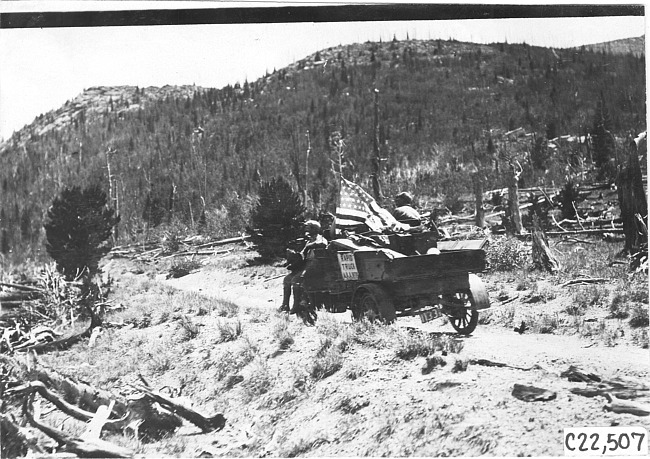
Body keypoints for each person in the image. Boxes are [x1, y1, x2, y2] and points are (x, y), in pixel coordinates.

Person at [279, 220, 328, 313]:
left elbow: (323, 244)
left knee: (296, 280)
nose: (306, 230)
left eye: (308, 228)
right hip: (306, 264)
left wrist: (309, 246)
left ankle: (297, 306)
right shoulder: (308, 240)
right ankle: (285, 305)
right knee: (287, 279)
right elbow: (302, 255)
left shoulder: (320, 238)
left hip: (315, 265)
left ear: (314, 229)